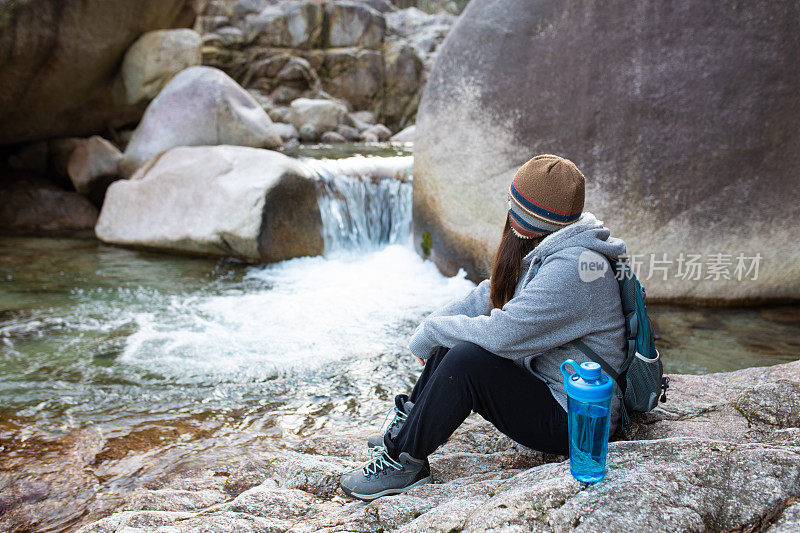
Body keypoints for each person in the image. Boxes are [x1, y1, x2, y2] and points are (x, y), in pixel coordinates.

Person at [339, 154, 628, 502]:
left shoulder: (578, 268)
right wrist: (430, 331)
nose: (509, 210)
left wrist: (433, 333)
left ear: (539, 218)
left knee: (467, 360)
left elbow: (503, 334)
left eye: (517, 205)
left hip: (578, 419)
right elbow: (486, 298)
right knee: (455, 340)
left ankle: (404, 464)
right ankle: (410, 425)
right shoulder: (556, 242)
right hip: (551, 388)